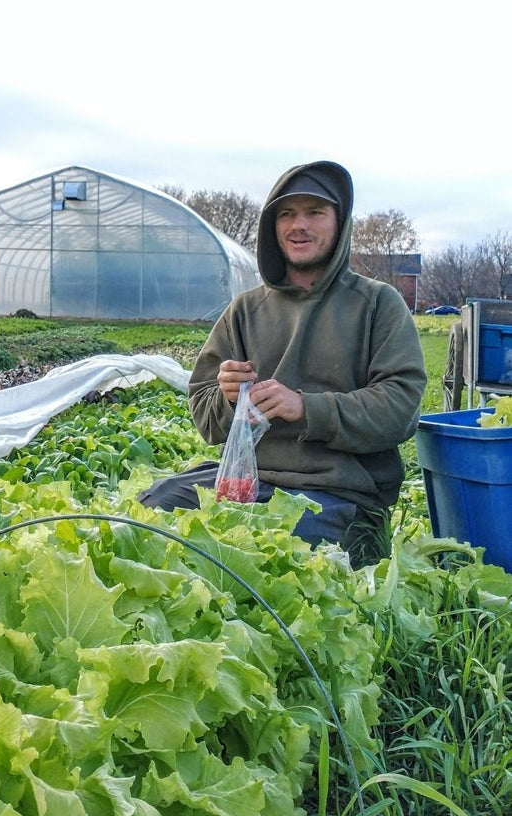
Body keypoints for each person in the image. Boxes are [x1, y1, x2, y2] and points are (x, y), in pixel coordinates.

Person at [139, 160, 427, 567]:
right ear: (272, 226)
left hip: (335, 492)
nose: (299, 225)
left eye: (315, 212)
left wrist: (308, 408)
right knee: (153, 508)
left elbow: (400, 407)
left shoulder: (377, 304)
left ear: (339, 223)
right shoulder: (245, 310)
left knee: (270, 547)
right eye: (287, 214)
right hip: (244, 483)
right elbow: (204, 415)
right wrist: (225, 396)